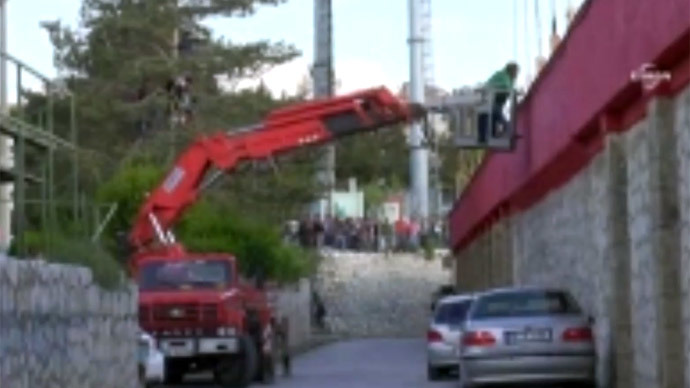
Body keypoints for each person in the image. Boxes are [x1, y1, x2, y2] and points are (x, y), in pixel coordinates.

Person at [478, 62, 519, 142]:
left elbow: (509, 89)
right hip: (488, 98)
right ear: (511, 70)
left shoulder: (510, 79)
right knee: (494, 114)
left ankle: (496, 132)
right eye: (516, 72)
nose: (516, 75)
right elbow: (505, 86)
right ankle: (507, 129)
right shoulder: (503, 75)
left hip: (496, 99)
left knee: (494, 116)